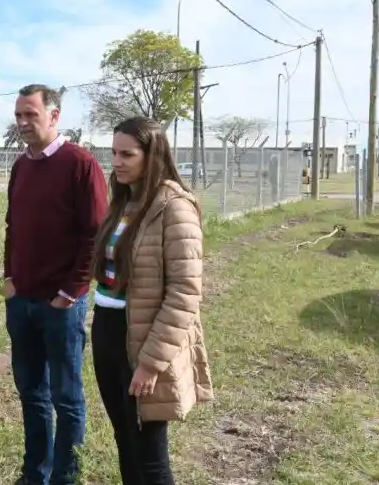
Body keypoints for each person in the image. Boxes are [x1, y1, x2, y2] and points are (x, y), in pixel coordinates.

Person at [90, 116, 214, 485]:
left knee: (149, 454)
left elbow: (184, 293)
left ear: (153, 154)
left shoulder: (174, 207)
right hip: (108, 329)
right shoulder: (123, 202)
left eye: (127, 154)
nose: (117, 162)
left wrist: (150, 363)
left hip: (144, 339)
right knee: (124, 439)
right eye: (113, 153)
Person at [3, 84, 108, 485]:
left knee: (67, 398)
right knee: (32, 394)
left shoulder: (80, 165)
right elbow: (13, 227)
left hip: (61, 306)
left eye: (31, 114)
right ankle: (35, 473)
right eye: (18, 115)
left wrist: (70, 292)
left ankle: (66, 476)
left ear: (54, 116)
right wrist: (10, 279)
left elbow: (95, 235)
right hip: (22, 302)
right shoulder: (21, 166)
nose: (24, 123)